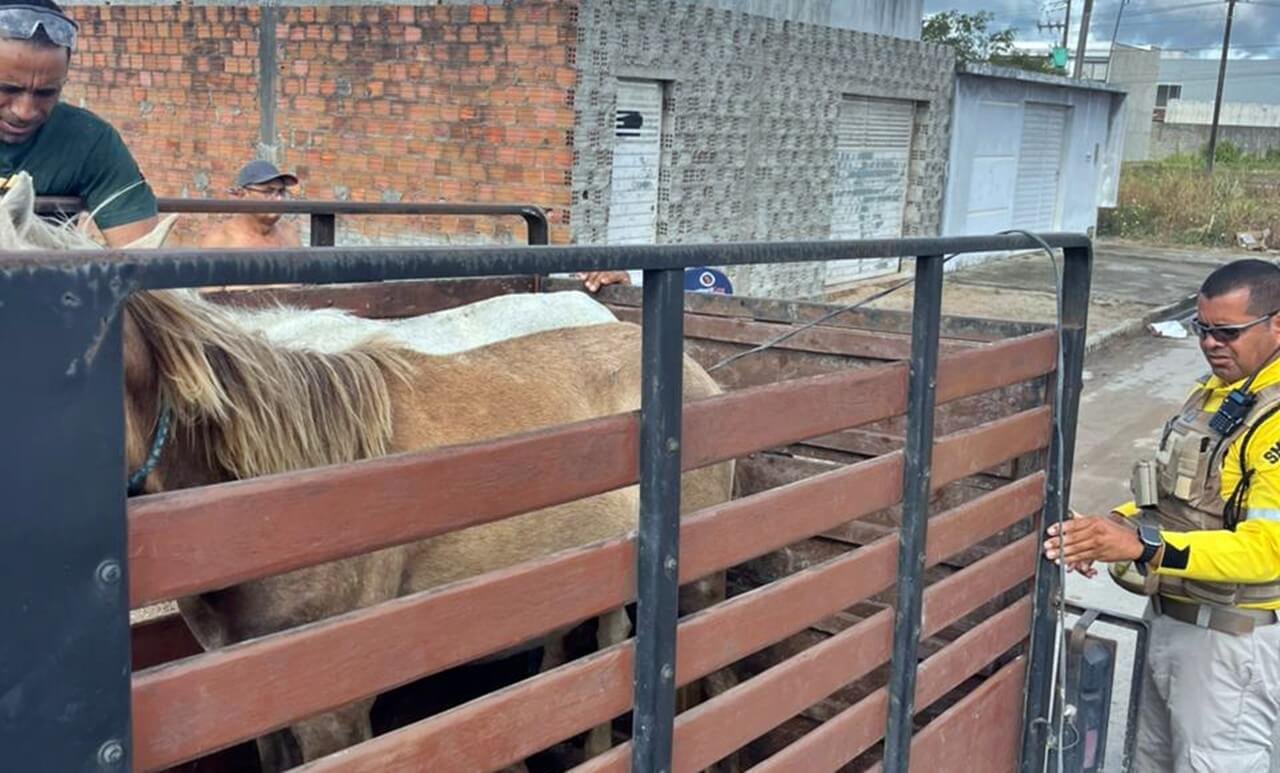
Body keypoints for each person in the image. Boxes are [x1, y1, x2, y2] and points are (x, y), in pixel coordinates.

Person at [1045, 258, 1280, 771]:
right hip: (1172, 621)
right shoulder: (1223, 393)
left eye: (1228, 332)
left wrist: (1143, 547)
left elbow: (1268, 553)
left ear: (1276, 324)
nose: (1211, 343)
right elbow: (1176, 499)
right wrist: (1111, 527)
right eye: (1203, 329)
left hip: (1230, 645)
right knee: (1148, 760)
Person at [0, 0, 159, 246]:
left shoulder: (89, 141)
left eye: (46, 93)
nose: (25, 112)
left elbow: (140, 259)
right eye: (6, 89)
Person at [197, 160, 301, 249]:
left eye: (281, 192)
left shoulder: (289, 234)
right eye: (268, 191)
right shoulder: (221, 240)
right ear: (243, 194)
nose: (278, 199)